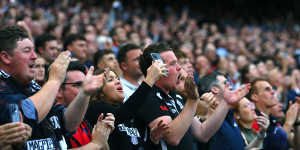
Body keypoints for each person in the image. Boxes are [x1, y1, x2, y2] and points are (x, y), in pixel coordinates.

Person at [0, 26, 108, 150]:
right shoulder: (3, 86)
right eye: (27, 50)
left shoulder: (34, 87)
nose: (34, 56)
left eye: (34, 50)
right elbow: (27, 116)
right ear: (5, 57)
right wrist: (55, 80)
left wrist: (84, 94)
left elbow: (67, 124)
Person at [137, 43, 250, 150]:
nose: (179, 68)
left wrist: (226, 103)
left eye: (177, 63)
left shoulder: (176, 97)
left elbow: (202, 134)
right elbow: (172, 138)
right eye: (172, 64)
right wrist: (192, 99)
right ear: (156, 70)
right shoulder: (147, 96)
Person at [85, 60, 168, 150]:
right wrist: (149, 79)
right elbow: (122, 114)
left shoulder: (132, 115)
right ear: (99, 91)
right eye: (110, 80)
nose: (117, 82)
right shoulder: (95, 108)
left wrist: (153, 139)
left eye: (117, 78)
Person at [55, 60, 115, 148]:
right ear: (59, 90)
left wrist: (103, 136)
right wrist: (96, 144)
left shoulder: (83, 120)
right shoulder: (52, 120)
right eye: (78, 84)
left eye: (86, 84)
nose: (85, 89)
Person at [248, 78, 289, 150]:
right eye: (267, 89)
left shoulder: (273, 120)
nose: (273, 92)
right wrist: (289, 122)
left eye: (272, 89)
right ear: (255, 96)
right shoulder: (252, 121)